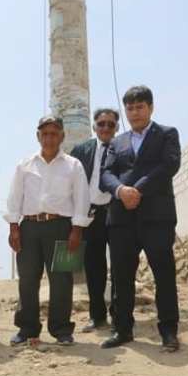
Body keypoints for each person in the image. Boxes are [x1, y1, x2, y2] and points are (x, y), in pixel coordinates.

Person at [100, 86, 181, 352]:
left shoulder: (167, 134)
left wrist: (139, 189)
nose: (134, 112)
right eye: (130, 108)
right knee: (122, 276)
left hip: (156, 216)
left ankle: (168, 331)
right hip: (122, 217)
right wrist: (120, 190)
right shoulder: (116, 142)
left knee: (163, 274)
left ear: (151, 108)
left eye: (140, 107)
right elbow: (106, 173)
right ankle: (122, 330)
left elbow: (169, 165)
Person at [6, 116, 89, 347]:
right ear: (38, 136)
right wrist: (14, 228)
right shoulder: (25, 165)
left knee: (62, 280)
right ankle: (27, 328)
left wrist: (77, 230)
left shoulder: (73, 165)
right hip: (29, 227)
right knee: (28, 280)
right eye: (45, 133)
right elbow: (15, 198)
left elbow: (82, 198)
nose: (49, 138)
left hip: (62, 227)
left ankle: (61, 329)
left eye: (54, 133)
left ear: (62, 136)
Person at [71, 108, 120, 332]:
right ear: (94, 126)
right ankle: (97, 316)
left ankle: (119, 316)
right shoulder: (81, 150)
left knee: (120, 265)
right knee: (93, 267)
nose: (106, 128)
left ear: (117, 128)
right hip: (90, 214)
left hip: (117, 212)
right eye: (102, 124)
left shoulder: (124, 148)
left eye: (111, 124)